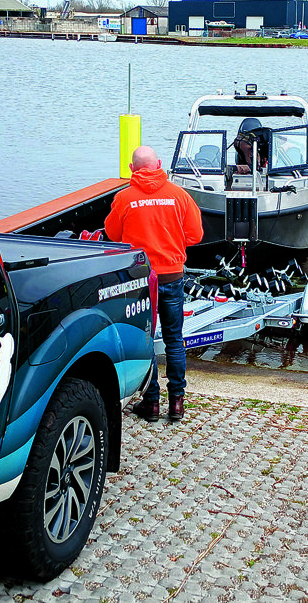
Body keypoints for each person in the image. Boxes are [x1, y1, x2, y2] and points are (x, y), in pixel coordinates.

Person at [105, 145, 203, 421]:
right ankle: (177, 403)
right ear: (159, 164)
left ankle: (151, 403)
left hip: (139, 280)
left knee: (144, 339)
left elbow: (113, 236)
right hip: (172, 275)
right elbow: (195, 235)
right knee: (174, 339)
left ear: (132, 169)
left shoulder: (124, 198)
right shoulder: (179, 196)